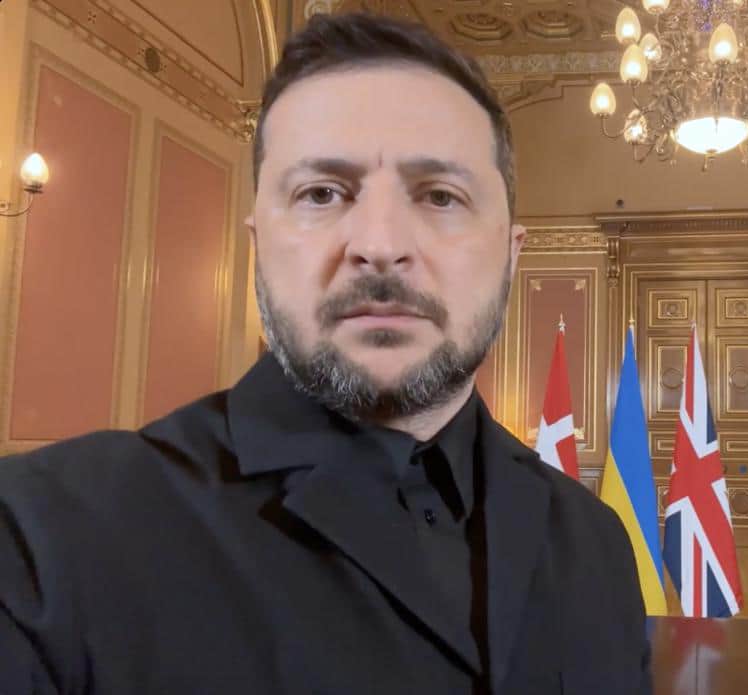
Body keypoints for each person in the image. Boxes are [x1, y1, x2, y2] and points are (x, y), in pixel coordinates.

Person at [0, 13, 650, 694]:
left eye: (441, 196)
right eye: (321, 193)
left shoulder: (597, 543)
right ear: (258, 245)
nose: (379, 244)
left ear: (511, 257)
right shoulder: (42, 545)